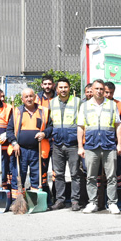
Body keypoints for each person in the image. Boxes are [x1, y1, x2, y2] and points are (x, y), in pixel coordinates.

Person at [77, 79, 121, 214]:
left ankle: (112, 203)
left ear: (104, 90)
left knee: (112, 176)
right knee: (90, 176)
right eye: (96, 89)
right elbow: (80, 127)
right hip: (91, 145)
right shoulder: (84, 106)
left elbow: (118, 125)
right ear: (92, 90)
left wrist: (119, 144)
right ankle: (92, 203)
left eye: (101, 89)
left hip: (109, 145)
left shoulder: (112, 105)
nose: (99, 91)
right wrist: (80, 146)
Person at [7, 88, 52, 205]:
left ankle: (34, 203)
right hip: (20, 151)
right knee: (18, 176)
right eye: (26, 97)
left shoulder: (44, 111)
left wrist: (44, 133)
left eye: (31, 96)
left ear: (35, 97)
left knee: (37, 177)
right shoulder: (16, 112)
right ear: (22, 99)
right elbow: (9, 130)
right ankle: (17, 203)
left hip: (37, 150)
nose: (29, 99)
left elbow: (51, 127)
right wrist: (14, 143)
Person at [49, 78, 83, 211]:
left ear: (69, 88)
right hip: (57, 144)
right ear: (56, 89)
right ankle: (60, 200)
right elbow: (50, 123)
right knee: (58, 174)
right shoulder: (52, 103)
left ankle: (75, 201)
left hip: (72, 143)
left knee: (75, 174)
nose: (63, 90)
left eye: (65, 87)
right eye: (60, 87)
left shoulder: (77, 101)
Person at [104, 82, 121, 200]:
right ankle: (101, 195)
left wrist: (117, 126)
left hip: (114, 141)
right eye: (106, 92)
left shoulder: (119, 105)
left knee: (116, 168)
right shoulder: (96, 105)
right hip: (99, 142)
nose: (108, 95)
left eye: (111, 93)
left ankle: (118, 194)